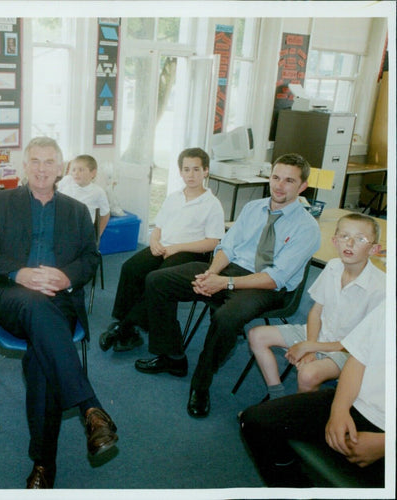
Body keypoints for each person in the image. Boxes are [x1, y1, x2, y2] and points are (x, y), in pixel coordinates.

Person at [0, 137, 118, 489]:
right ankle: (89, 405)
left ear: (60, 168)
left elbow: (90, 258)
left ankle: (43, 463)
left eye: (49, 162)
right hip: (11, 296)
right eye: (35, 161)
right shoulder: (0, 202)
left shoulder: (76, 209)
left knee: (42, 357)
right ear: (25, 166)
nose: (42, 168)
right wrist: (20, 273)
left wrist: (67, 276)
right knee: (35, 307)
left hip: (59, 299)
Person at [135, 153, 321, 418]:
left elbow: (275, 278)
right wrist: (210, 273)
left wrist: (225, 283)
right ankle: (172, 357)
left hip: (266, 286)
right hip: (230, 270)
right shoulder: (252, 209)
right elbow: (227, 247)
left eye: (289, 181)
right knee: (158, 280)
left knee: (226, 317)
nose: (279, 186)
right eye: (276, 177)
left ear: (302, 187)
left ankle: (201, 384)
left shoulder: (307, 227)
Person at [239, 300, 386, 487]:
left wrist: (386, 444)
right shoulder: (387, 307)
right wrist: (339, 410)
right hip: (356, 400)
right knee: (254, 421)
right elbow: (358, 359)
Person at [99, 147, 224, 352]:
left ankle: (126, 327)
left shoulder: (212, 204)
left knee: (157, 278)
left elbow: (212, 242)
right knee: (131, 267)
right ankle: (127, 326)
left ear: (206, 171)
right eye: (186, 169)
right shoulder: (174, 197)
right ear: (180, 172)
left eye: (196, 169)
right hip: (164, 246)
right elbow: (158, 228)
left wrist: (177, 248)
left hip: (191, 252)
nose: (190, 175)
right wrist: (155, 241)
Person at [248, 213, 384, 399]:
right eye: (344, 236)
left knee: (308, 374)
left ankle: (298, 415)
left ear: (374, 249)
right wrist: (310, 346)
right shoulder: (333, 267)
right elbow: (316, 312)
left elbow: (363, 344)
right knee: (257, 335)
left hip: (349, 351)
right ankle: (277, 398)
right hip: (318, 335)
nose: (350, 244)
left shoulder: (380, 288)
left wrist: (309, 346)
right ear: (334, 241)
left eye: (360, 239)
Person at [56, 154, 110, 238]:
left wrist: (98, 235)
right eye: (73, 170)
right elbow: (54, 196)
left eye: (81, 170)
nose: (76, 173)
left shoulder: (98, 192)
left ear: (93, 173)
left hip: (81, 233)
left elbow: (105, 214)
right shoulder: (67, 180)